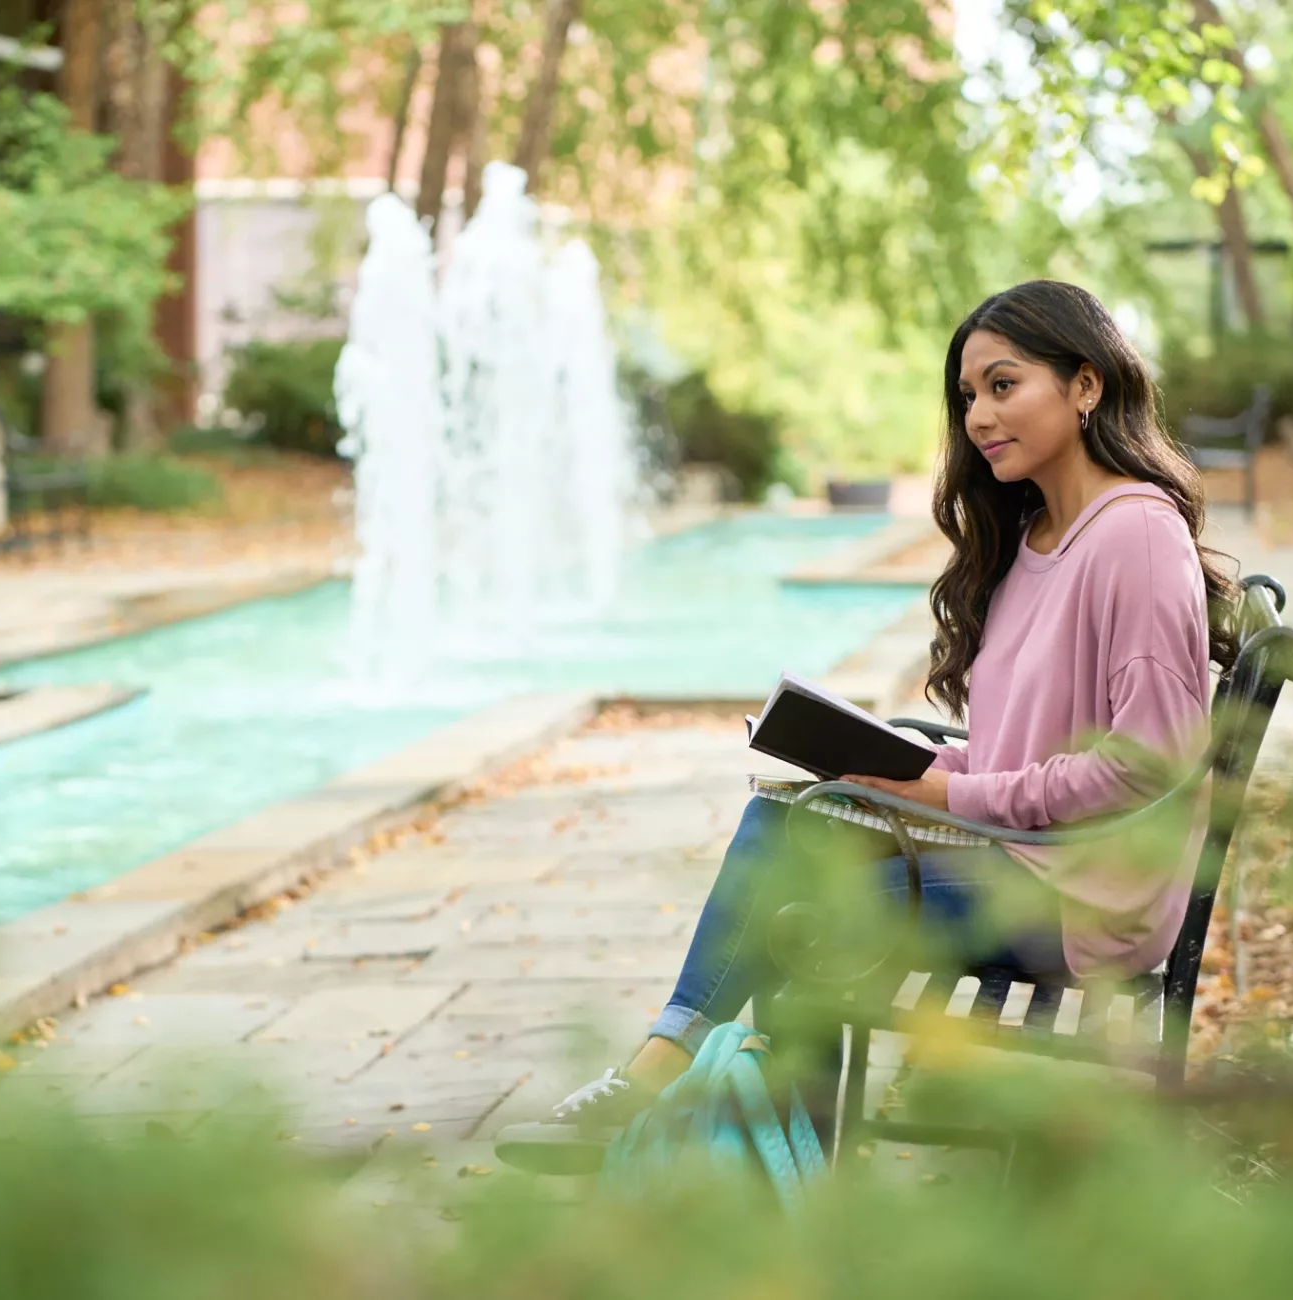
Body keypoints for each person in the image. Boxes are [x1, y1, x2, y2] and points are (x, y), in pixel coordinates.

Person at [495, 280, 1238, 1174]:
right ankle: (698, 1095)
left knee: (806, 919)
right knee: (793, 816)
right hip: (1023, 855)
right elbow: (1035, 751)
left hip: (1084, 893)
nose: (978, 416)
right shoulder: (1038, 535)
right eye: (968, 396)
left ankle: (731, 1142)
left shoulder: (1136, 538)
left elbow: (1147, 765)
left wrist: (949, 790)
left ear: (1086, 386)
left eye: (1004, 386)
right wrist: (906, 766)